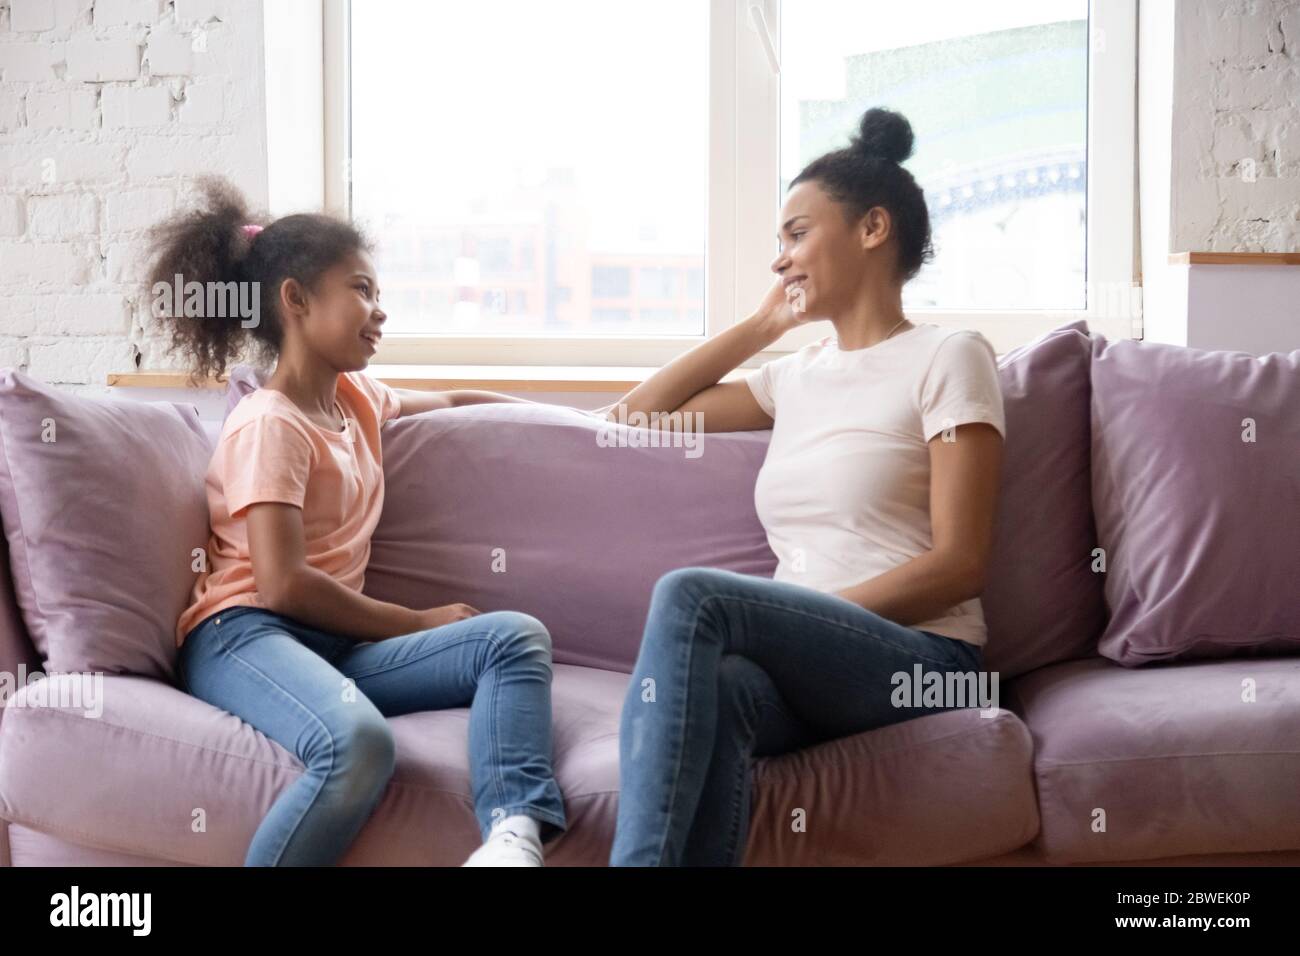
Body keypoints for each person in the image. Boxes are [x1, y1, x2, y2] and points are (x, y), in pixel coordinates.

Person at [607, 108, 1006, 866]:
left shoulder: (950, 356)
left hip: (929, 665)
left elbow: (962, 565)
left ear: (872, 228)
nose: (780, 258)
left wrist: (799, 619)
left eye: (796, 233)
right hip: (812, 662)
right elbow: (636, 420)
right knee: (721, 686)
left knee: (693, 596)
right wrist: (761, 330)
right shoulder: (794, 377)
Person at [153, 176, 566, 866]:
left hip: (336, 643)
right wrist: (419, 620)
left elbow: (459, 397)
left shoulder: (357, 399)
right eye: (363, 290)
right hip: (245, 633)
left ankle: (514, 835)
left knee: (512, 639)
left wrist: (578, 422)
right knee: (356, 742)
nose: (380, 312)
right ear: (296, 299)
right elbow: (283, 586)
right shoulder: (269, 424)